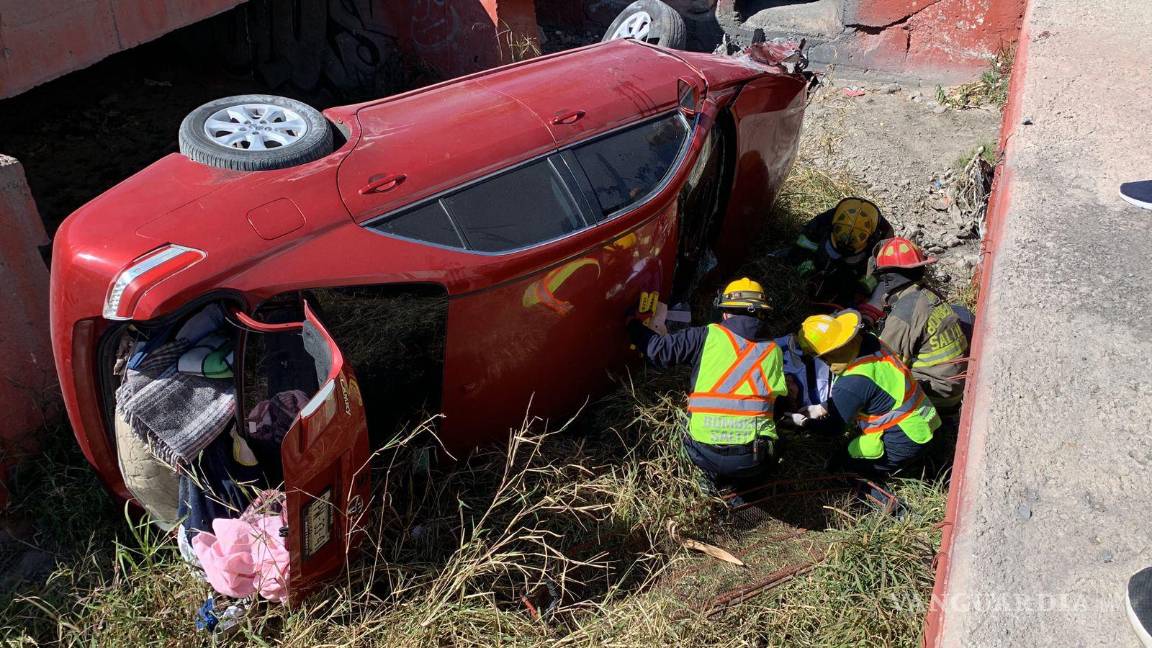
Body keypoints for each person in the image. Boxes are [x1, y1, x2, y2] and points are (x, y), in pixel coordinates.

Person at [627, 278, 787, 493]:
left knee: (710, 456)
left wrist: (632, 323)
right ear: (761, 314)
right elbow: (777, 403)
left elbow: (658, 350)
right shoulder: (774, 351)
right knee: (779, 445)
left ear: (726, 313)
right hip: (751, 459)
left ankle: (709, 481)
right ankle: (739, 491)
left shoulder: (705, 336)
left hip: (701, 451)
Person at [790, 309, 941, 478]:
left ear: (826, 355)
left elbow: (833, 428)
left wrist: (804, 423)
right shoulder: (871, 342)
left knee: (848, 459)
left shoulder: (850, 382)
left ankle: (877, 484)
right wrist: (823, 407)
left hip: (905, 440)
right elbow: (867, 390)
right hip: (928, 419)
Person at [859, 237, 969, 410]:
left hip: (936, 395)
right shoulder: (928, 295)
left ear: (887, 277)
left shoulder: (904, 313)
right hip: (953, 387)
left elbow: (882, 362)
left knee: (874, 388)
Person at [790, 197, 894, 305]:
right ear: (832, 226)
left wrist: (862, 288)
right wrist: (806, 268)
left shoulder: (884, 237)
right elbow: (801, 246)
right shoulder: (823, 221)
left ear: (871, 238)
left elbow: (883, 271)